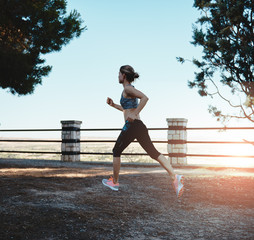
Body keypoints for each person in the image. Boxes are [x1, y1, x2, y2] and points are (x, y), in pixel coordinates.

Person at [102, 65, 184, 198]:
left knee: (116, 151)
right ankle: (175, 177)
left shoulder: (128, 88)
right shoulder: (128, 90)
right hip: (138, 126)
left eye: (119, 74)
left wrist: (135, 115)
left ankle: (115, 182)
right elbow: (126, 109)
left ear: (124, 75)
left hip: (132, 125)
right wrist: (113, 105)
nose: (117, 76)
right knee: (153, 152)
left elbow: (145, 98)